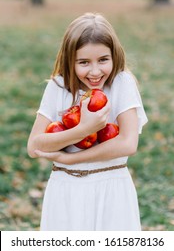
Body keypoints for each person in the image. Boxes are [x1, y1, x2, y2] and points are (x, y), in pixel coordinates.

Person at [27, 12, 148, 231]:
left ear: (114, 56)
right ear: (69, 61)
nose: (95, 71)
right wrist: (84, 129)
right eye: (84, 62)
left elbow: (128, 143)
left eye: (103, 60)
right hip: (65, 190)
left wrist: (72, 159)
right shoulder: (58, 86)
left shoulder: (121, 83)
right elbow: (34, 146)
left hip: (111, 188)